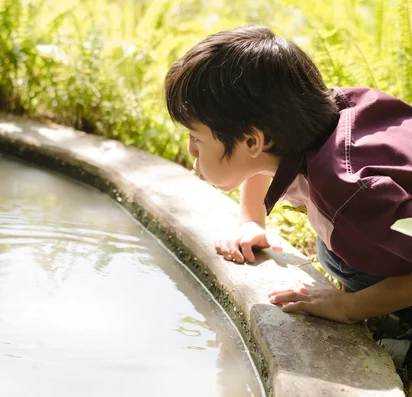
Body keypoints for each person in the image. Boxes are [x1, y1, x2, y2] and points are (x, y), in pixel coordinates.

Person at [163, 25, 412, 332]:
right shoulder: (312, 122)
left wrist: (348, 307)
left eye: (196, 138)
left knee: (343, 260)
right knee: (333, 250)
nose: (190, 149)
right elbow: (261, 163)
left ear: (253, 142)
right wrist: (251, 220)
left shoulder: (348, 193)